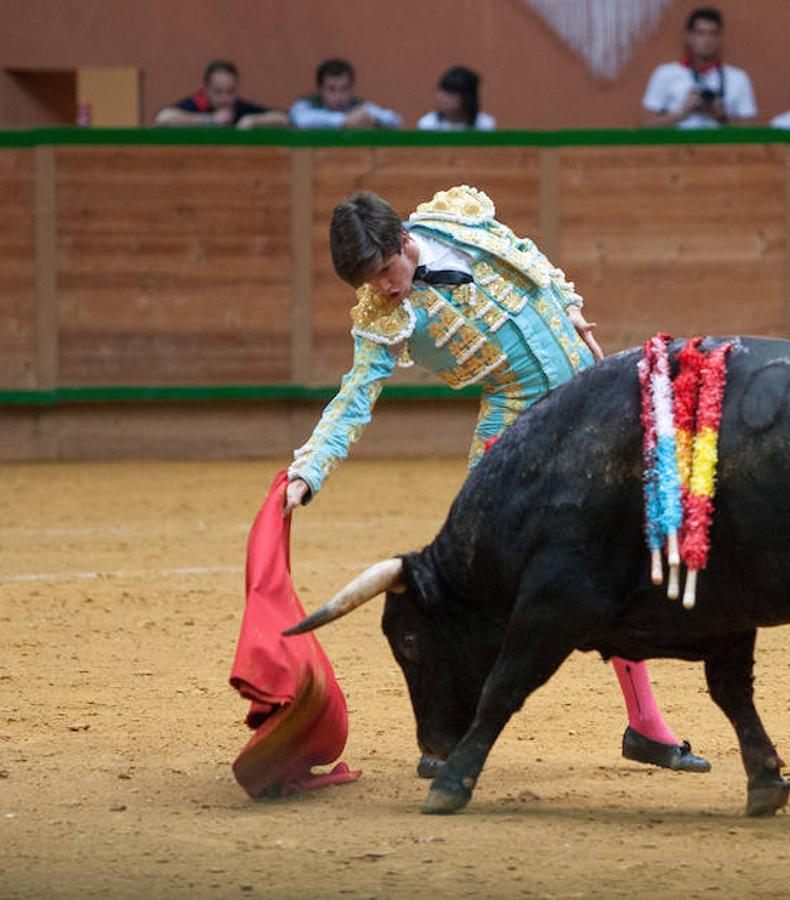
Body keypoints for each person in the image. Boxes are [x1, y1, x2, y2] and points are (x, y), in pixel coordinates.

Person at [284, 186, 710, 775]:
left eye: (385, 271)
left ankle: (645, 727)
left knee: (616, 559)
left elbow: (530, 263)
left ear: (405, 243)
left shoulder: (455, 222)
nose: (382, 289)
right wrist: (309, 471)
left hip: (588, 400)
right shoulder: (384, 318)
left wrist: (569, 310)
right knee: (489, 579)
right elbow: (355, 398)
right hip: (513, 426)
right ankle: (456, 730)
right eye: (367, 283)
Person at [640, 7, 756, 129]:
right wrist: (682, 112)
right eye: (700, 33)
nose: (707, 40)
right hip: (678, 146)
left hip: (721, 147)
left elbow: (751, 130)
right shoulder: (665, 74)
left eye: (713, 34)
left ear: (720, 38)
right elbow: (644, 126)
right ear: (688, 36)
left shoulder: (738, 78)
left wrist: (721, 117)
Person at [155, 60, 288, 129]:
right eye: (218, 92)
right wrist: (210, 120)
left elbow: (283, 118)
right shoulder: (196, 104)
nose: (224, 98)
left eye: (230, 92)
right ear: (206, 89)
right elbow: (163, 118)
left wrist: (255, 121)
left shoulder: (239, 108)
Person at [290, 58, 402, 130]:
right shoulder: (307, 104)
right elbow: (301, 120)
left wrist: (374, 120)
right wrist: (344, 121)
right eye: (332, 89)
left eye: (344, 89)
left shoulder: (358, 106)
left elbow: (395, 120)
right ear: (320, 90)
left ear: (352, 89)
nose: (339, 96)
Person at [417, 66, 496, 131]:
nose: (443, 99)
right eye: (442, 93)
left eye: (450, 95)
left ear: (467, 98)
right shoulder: (428, 124)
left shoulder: (484, 125)